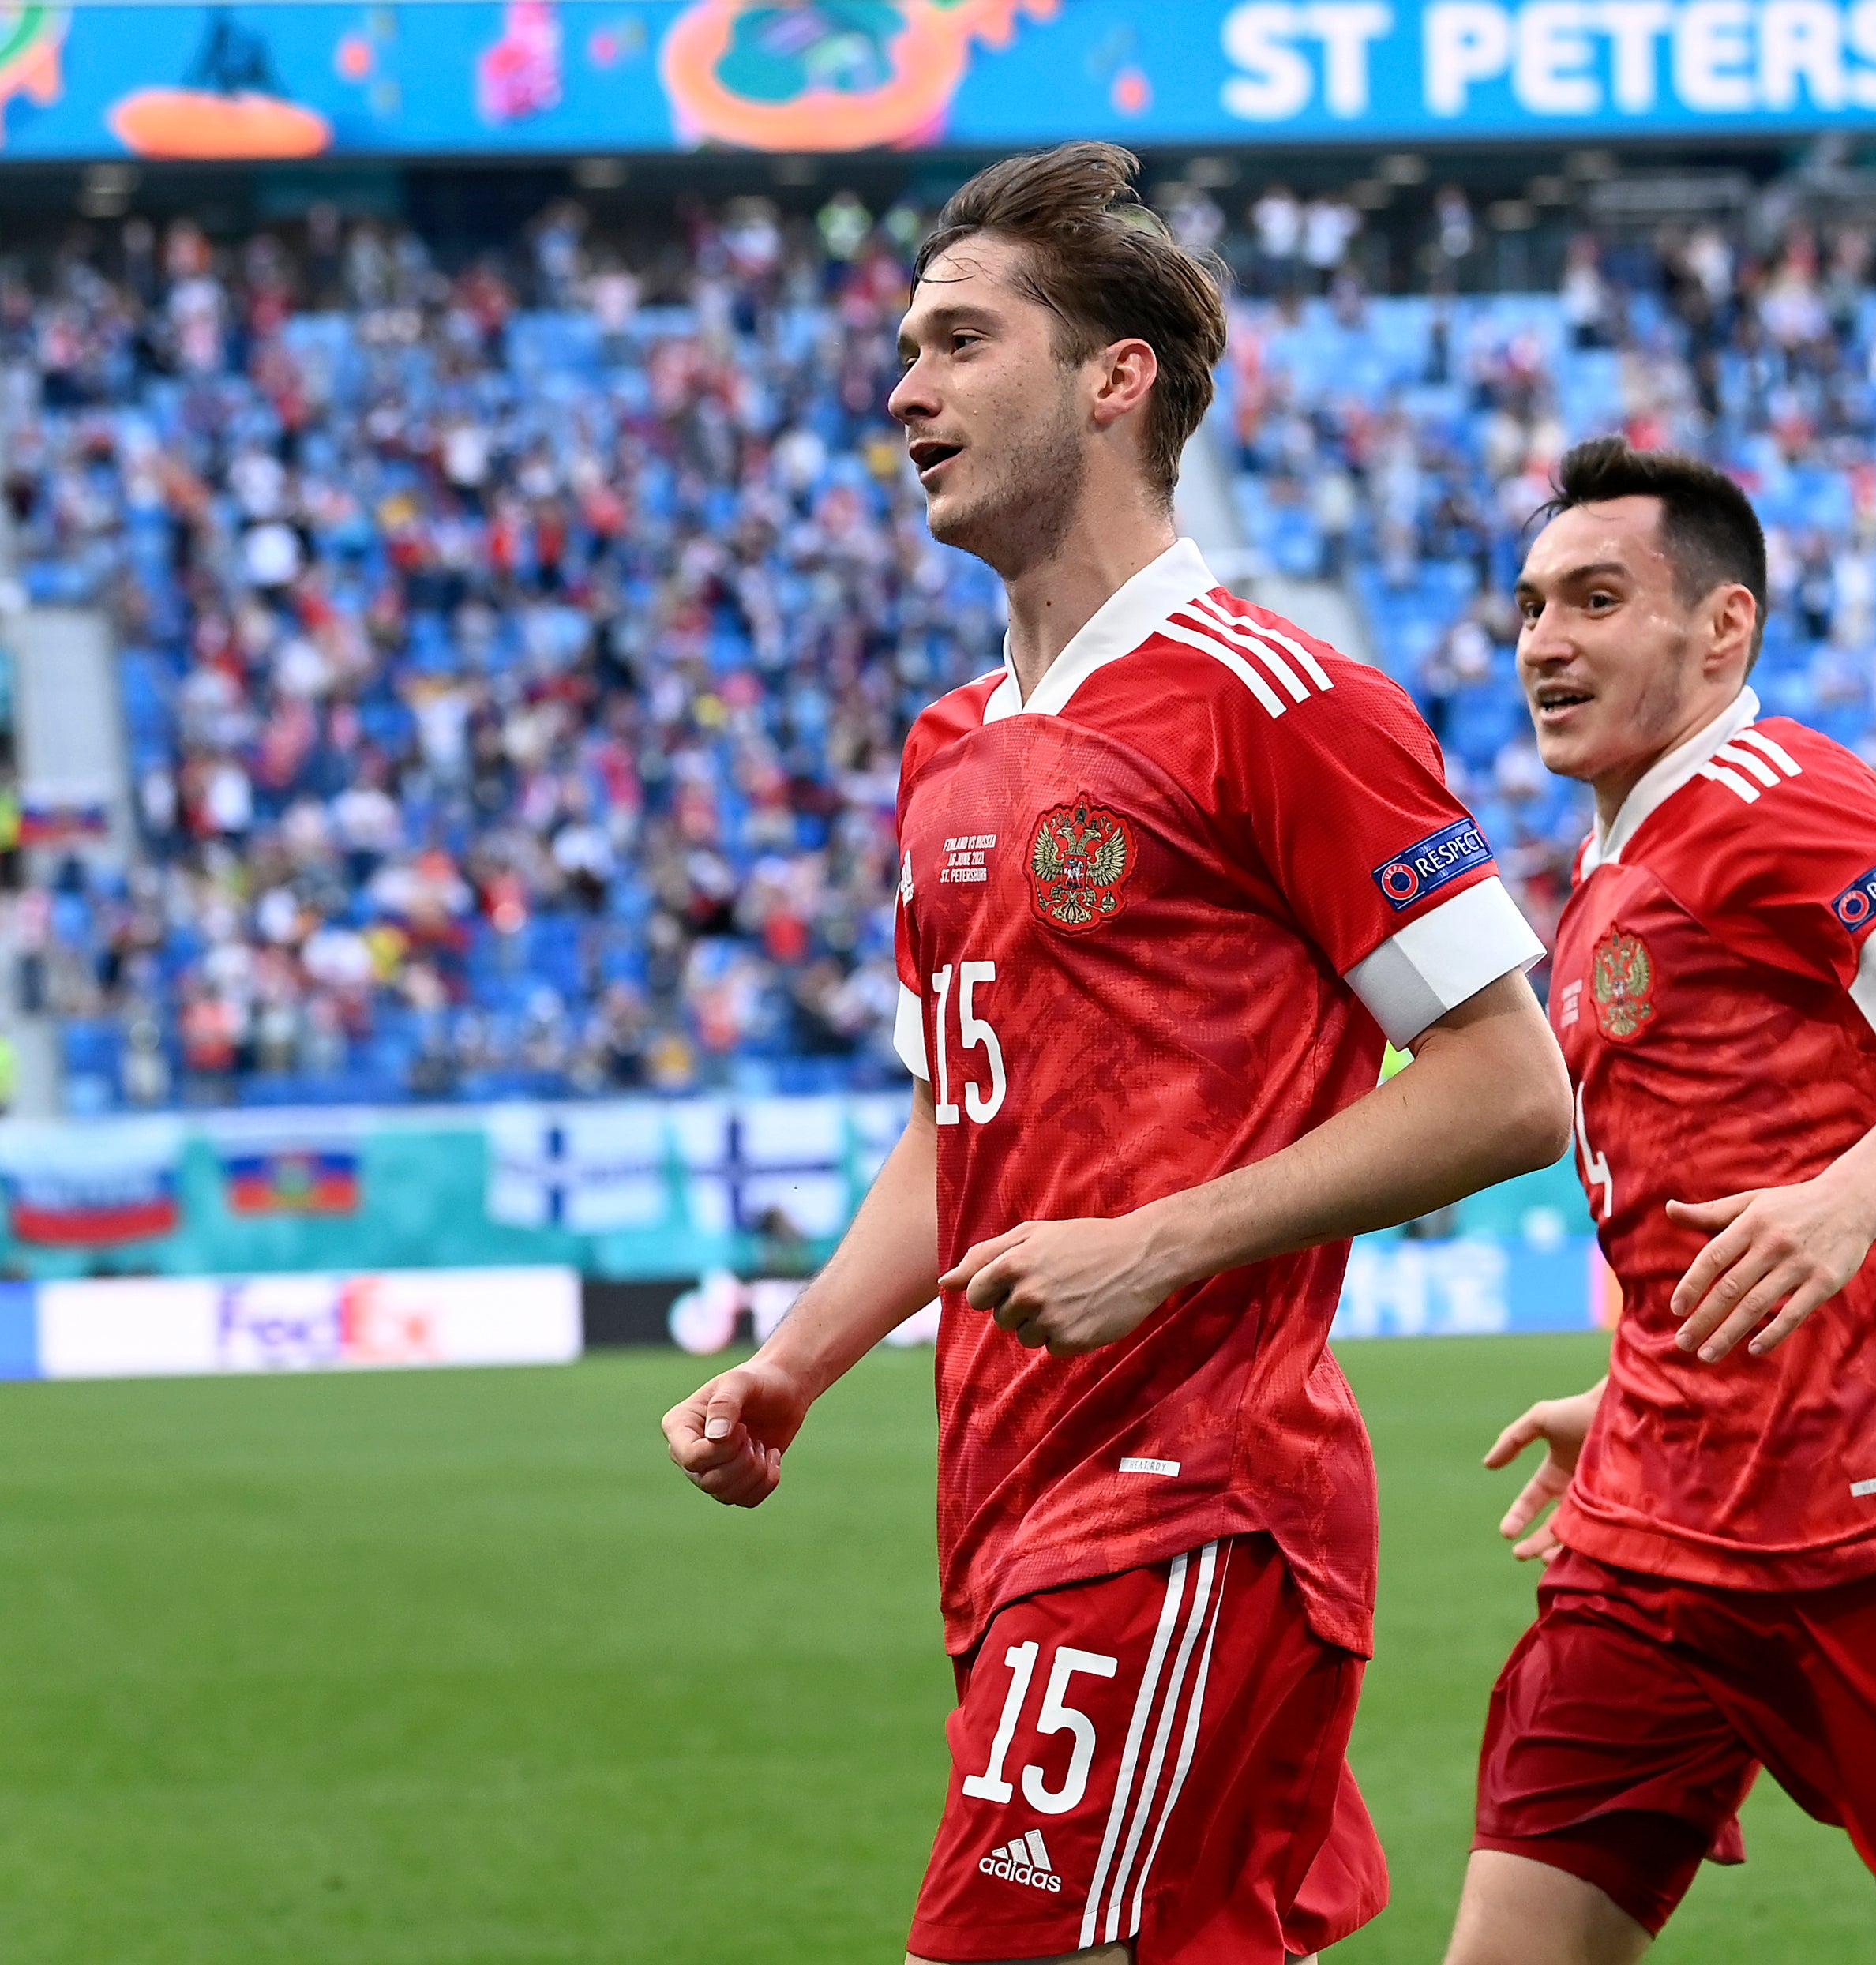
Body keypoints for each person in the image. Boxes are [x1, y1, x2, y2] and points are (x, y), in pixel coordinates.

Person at [663, 144, 1570, 1965]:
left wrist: (1157, 1244)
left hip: (1189, 1504)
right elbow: (962, 1116)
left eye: (957, 340)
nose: (901, 389)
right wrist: (798, 1363)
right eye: (904, 349)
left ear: (1115, 376)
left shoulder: (1286, 704)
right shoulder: (946, 747)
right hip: (1006, 1502)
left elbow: (1509, 1082)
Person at [1445, 439, 1876, 1965]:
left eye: (1597, 599)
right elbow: (1717, 1169)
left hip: (1872, 1525)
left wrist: (1852, 1198)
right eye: (1532, 606)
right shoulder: (1621, 850)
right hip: (1653, 1533)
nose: (1546, 641)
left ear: (1720, 628)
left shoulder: (1771, 789)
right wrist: (1639, 1389)